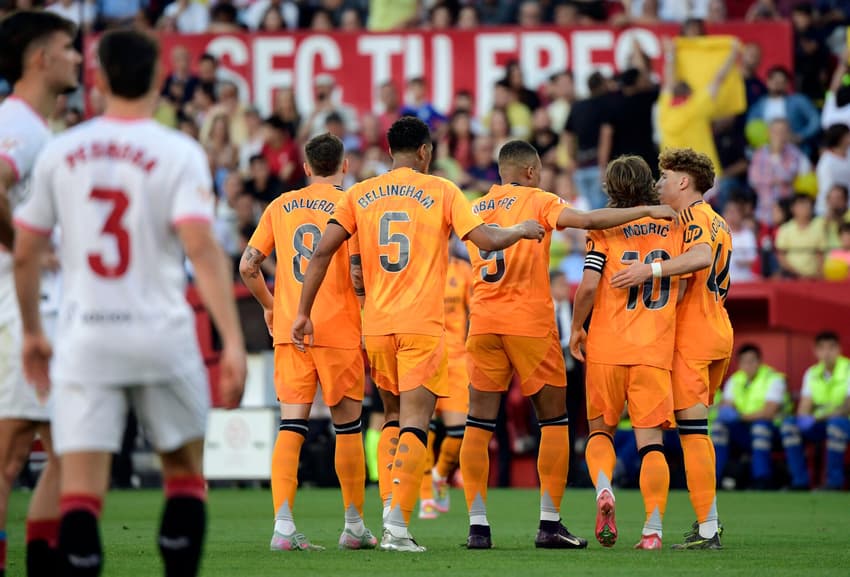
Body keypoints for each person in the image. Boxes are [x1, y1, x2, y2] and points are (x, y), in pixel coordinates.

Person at [12, 30, 246, 577]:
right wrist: (232, 340)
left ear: (98, 78)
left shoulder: (61, 151)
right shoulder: (179, 152)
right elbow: (201, 248)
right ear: (160, 79)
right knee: (186, 474)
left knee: (80, 489)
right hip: (160, 334)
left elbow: (25, 253)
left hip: (85, 334)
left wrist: (30, 332)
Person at [291, 116, 545, 552]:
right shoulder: (443, 190)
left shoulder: (359, 193)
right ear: (426, 152)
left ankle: (388, 509)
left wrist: (302, 312)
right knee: (415, 423)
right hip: (421, 327)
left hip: (376, 327)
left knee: (391, 417)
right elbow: (483, 238)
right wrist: (521, 229)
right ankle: (398, 527)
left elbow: (322, 252)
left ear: (391, 151)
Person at [460, 142, 677, 550]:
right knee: (554, 422)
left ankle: (477, 527)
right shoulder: (538, 199)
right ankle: (549, 523)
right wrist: (647, 209)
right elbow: (589, 218)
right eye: (539, 171)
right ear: (529, 171)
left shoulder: (475, 206)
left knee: (478, 424)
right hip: (529, 324)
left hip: (483, 322)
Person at [239, 133, 377, 551]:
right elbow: (357, 273)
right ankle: (353, 526)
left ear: (305, 168)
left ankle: (283, 527)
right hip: (338, 327)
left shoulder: (280, 205)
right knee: (348, 428)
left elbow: (248, 265)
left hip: (289, 328)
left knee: (291, 426)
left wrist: (270, 305)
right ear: (345, 165)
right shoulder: (352, 203)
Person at [612, 147, 734, 549]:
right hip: (717, 326)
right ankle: (708, 525)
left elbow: (699, 257)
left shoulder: (695, 217)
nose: (658, 184)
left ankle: (708, 529)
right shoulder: (719, 221)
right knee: (696, 430)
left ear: (684, 181)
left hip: (694, 335)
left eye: (664, 178)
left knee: (694, 432)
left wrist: (651, 268)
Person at [0, 11, 79, 576]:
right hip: (21, 305)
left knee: (58, 447)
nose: (77, 57)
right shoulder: (21, 126)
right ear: (38, 57)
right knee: (24, 452)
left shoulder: (32, 127)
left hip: (29, 303)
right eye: (67, 47)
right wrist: (23, 245)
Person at [569, 155, 682, 550]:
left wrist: (577, 328)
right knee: (651, 444)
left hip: (607, 346)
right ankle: (652, 531)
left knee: (600, 432)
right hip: (654, 347)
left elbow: (587, 286)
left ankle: (604, 487)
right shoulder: (674, 225)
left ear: (611, 187)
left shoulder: (603, 229)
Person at [419, 242, 472, 519]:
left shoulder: (463, 271)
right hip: (426, 355)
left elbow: (474, 312)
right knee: (423, 427)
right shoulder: (419, 270)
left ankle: (440, 473)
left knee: (458, 431)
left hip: (456, 358)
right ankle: (426, 494)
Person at [658, 38, 739, 177]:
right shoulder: (692, 106)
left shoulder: (668, 107)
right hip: (691, 177)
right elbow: (718, 79)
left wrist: (670, 54)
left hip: (690, 177)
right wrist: (733, 53)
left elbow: (669, 79)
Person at [713, 345, 788, 489]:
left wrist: (739, 416)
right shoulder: (735, 380)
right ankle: (717, 479)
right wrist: (730, 413)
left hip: (773, 430)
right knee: (719, 428)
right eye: (744, 362)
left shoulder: (773, 378)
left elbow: (768, 412)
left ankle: (761, 480)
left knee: (760, 428)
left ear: (759, 362)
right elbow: (727, 406)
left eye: (752, 361)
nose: (748, 365)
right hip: (743, 429)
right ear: (739, 364)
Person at [782, 332, 850, 491]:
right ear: (816, 351)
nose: (827, 353)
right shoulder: (812, 372)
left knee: (836, 424)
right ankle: (800, 482)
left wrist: (817, 416)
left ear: (839, 349)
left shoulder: (847, 368)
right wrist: (805, 419)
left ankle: (834, 483)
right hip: (821, 423)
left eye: (831, 348)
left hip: (843, 422)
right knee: (790, 426)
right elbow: (804, 408)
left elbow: (846, 407)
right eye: (822, 348)